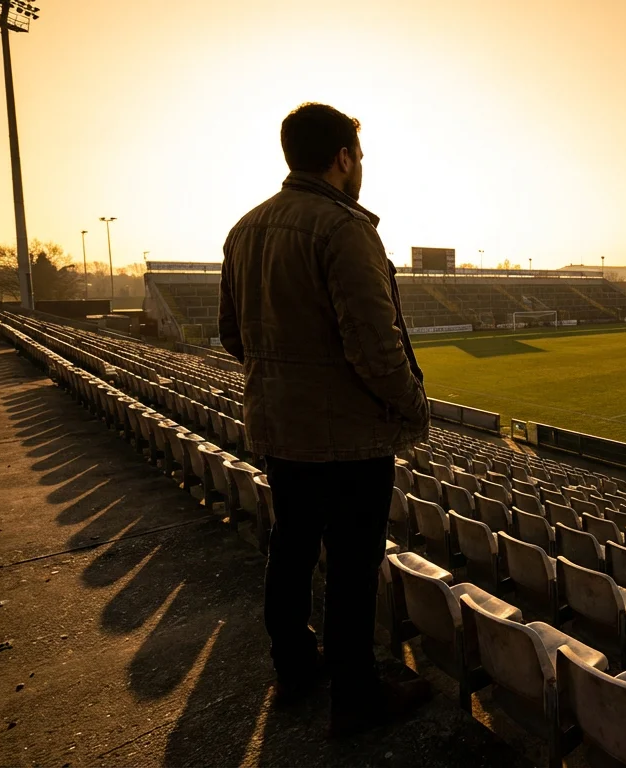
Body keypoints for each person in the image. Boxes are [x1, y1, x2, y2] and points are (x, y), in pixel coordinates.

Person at [218, 102, 432, 736]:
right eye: (359, 156)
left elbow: (233, 335)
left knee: (289, 548)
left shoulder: (245, 228)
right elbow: (375, 344)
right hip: (346, 439)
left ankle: (294, 669)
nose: (361, 166)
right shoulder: (343, 230)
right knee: (350, 564)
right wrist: (410, 406)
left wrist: (287, 381)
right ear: (342, 158)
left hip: (279, 429)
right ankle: (355, 698)